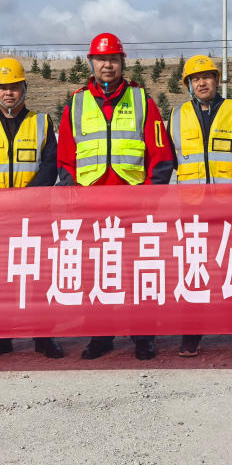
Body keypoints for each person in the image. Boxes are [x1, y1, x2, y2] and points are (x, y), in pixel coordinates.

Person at [56, 33, 176, 361]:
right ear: (91, 63)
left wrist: (149, 200)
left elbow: (161, 157)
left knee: (139, 271)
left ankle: (143, 336)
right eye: (101, 59)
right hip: (92, 210)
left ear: (122, 62)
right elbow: (65, 159)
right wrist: (74, 198)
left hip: (135, 209)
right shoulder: (75, 104)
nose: (107, 65)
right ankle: (101, 335)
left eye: (113, 59)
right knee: (97, 272)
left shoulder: (142, 101)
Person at [0, 58, 65, 361]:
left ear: (24, 88)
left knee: (38, 277)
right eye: (2, 87)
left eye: (14, 86)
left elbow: (51, 164)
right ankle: (1, 338)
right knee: (1, 279)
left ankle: (44, 337)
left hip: (35, 216)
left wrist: (28, 198)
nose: (8, 92)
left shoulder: (42, 122)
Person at [169, 54, 232, 357]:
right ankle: (191, 334)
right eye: (195, 79)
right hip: (192, 210)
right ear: (188, 85)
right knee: (194, 271)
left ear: (217, 80)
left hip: (229, 208)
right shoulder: (177, 116)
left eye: (207, 77)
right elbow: (171, 159)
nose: (202, 83)